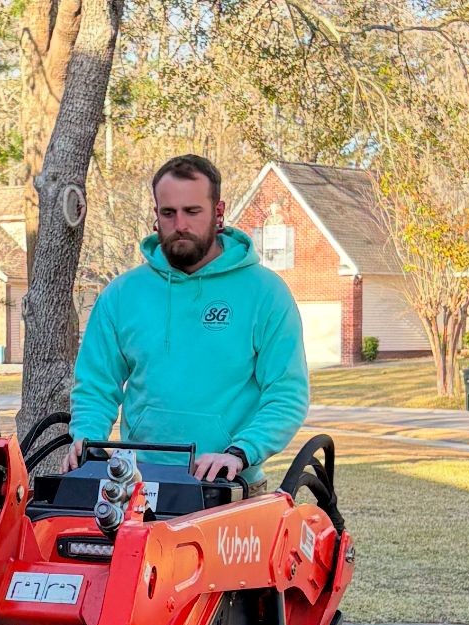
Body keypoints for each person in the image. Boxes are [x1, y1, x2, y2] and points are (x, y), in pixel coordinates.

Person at [63, 154, 308, 489]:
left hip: (229, 484)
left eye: (192, 212)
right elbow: (95, 385)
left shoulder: (265, 293)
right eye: (169, 212)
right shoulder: (121, 295)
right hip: (139, 483)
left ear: (218, 213)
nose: (180, 224)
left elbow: (286, 393)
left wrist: (241, 452)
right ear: (156, 216)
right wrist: (88, 440)